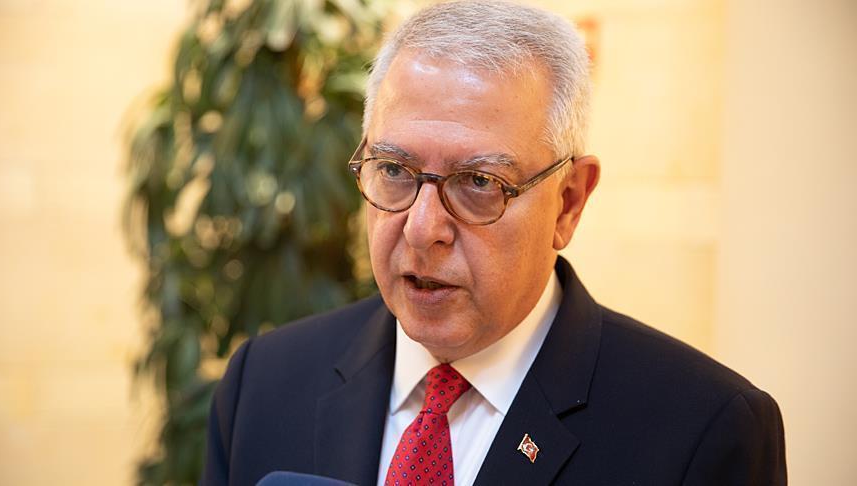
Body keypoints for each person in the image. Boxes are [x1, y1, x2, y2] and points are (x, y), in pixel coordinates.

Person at [200, 2, 786, 485]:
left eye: (479, 183)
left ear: (568, 202)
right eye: (395, 171)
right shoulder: (263, 385)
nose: (422, 228)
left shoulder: (703, 432)